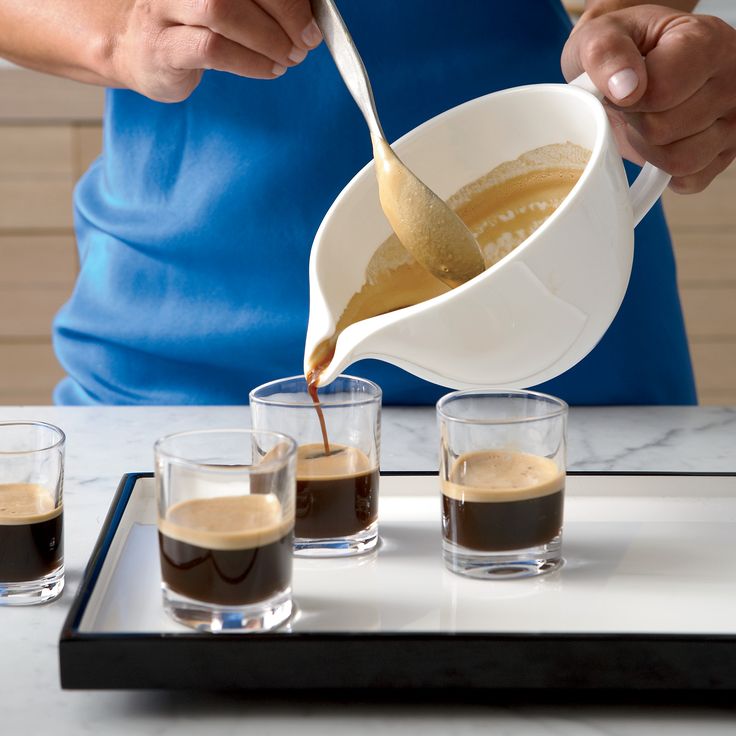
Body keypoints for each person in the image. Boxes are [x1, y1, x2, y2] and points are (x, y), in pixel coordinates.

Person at [1, 0, 734, 405]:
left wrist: (641, 40)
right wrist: (125, 30)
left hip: (555, 326)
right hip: (178, 364)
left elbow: (629, 9)